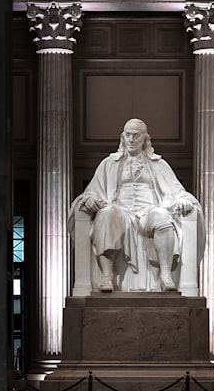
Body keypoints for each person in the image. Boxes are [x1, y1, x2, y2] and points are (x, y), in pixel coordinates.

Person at [68, 118, 205, 292]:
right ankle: (107, 276)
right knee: (106, 213)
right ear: (122, 138)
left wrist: (184, 200)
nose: (131, 140)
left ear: (145, 139)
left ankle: (166, 275)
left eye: (136, 136)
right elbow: (93, 191)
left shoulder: (159, 164)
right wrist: (88, 199)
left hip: (149, 212)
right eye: (127, 135)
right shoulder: (109, 164)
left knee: (162, 215)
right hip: (120, 212)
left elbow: (177, 191)